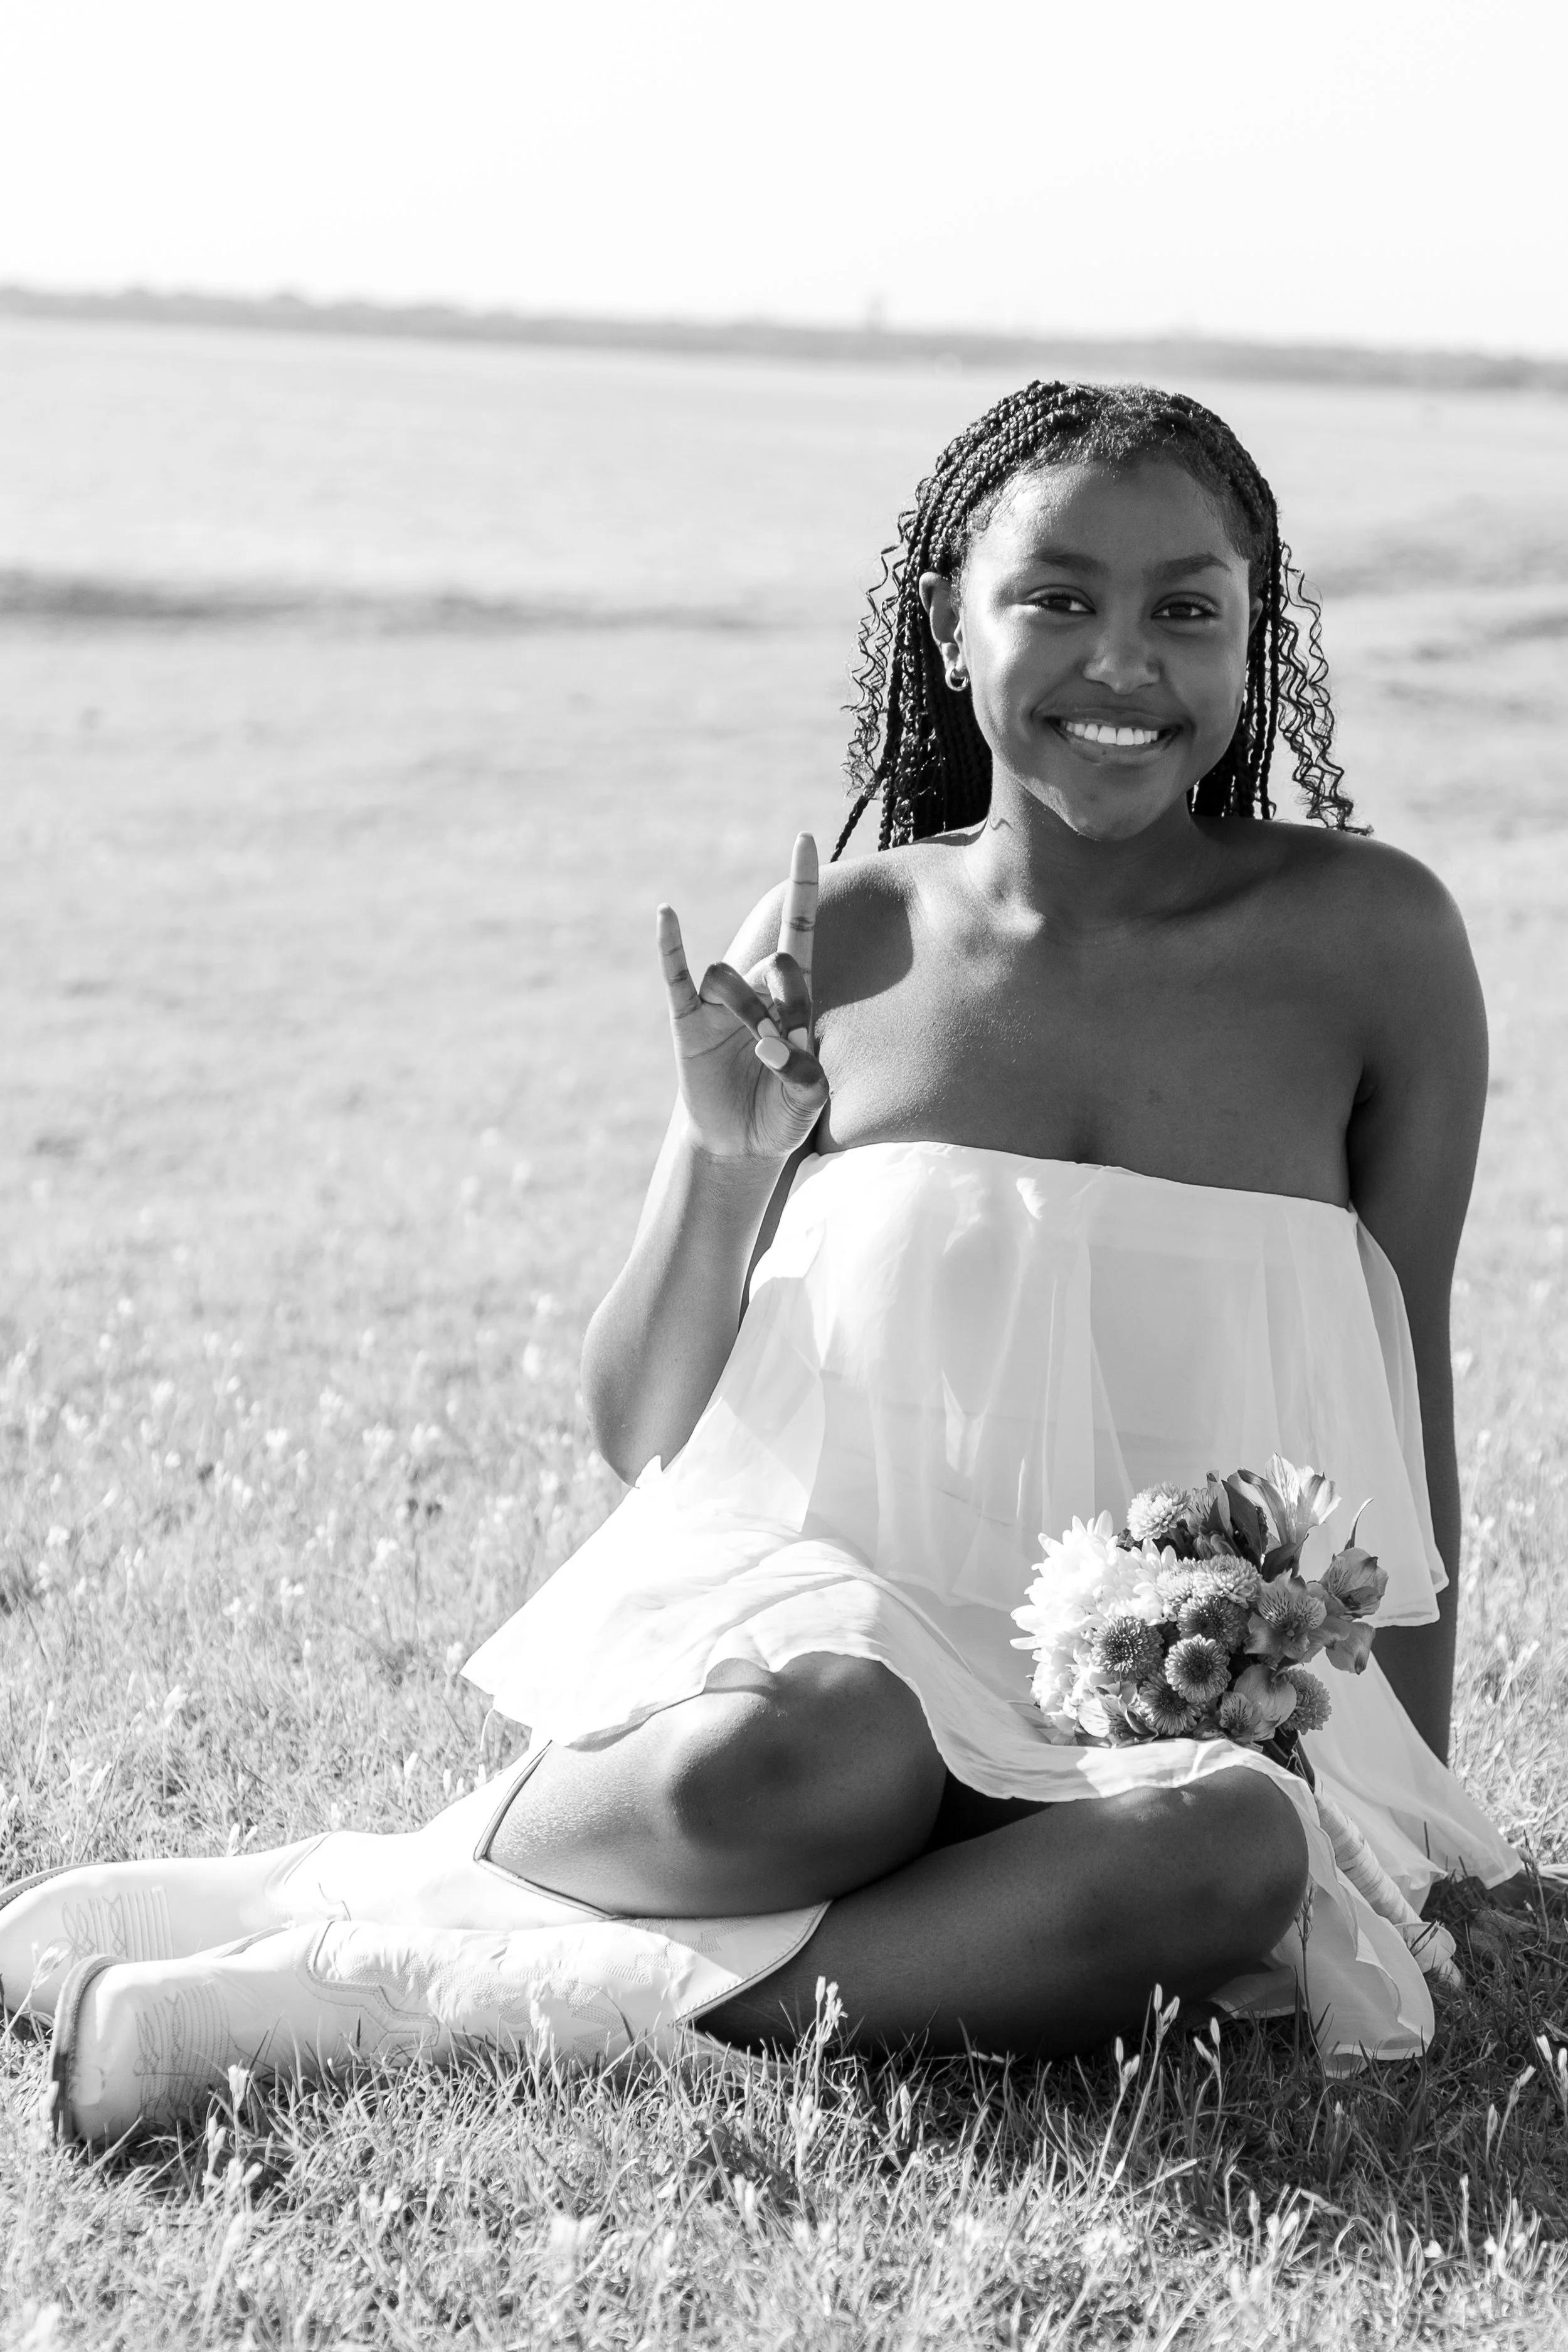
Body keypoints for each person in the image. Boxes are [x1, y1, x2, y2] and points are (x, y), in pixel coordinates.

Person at [4, 381, 1522, 2146]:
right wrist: (728, 1170)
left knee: (1239, 1848)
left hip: (1156, 1730)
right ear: (949, 628)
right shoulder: (843, 940)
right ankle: (359, 1885)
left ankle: (454, 1996)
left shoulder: (1374, 943)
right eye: (1054, 598)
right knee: (815, 1759)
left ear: (1252, 640)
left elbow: (1400, 1388)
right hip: (838, 1672)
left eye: (1186, 606)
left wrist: (1407, 1803)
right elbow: (642, 1422)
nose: (1123, 661)